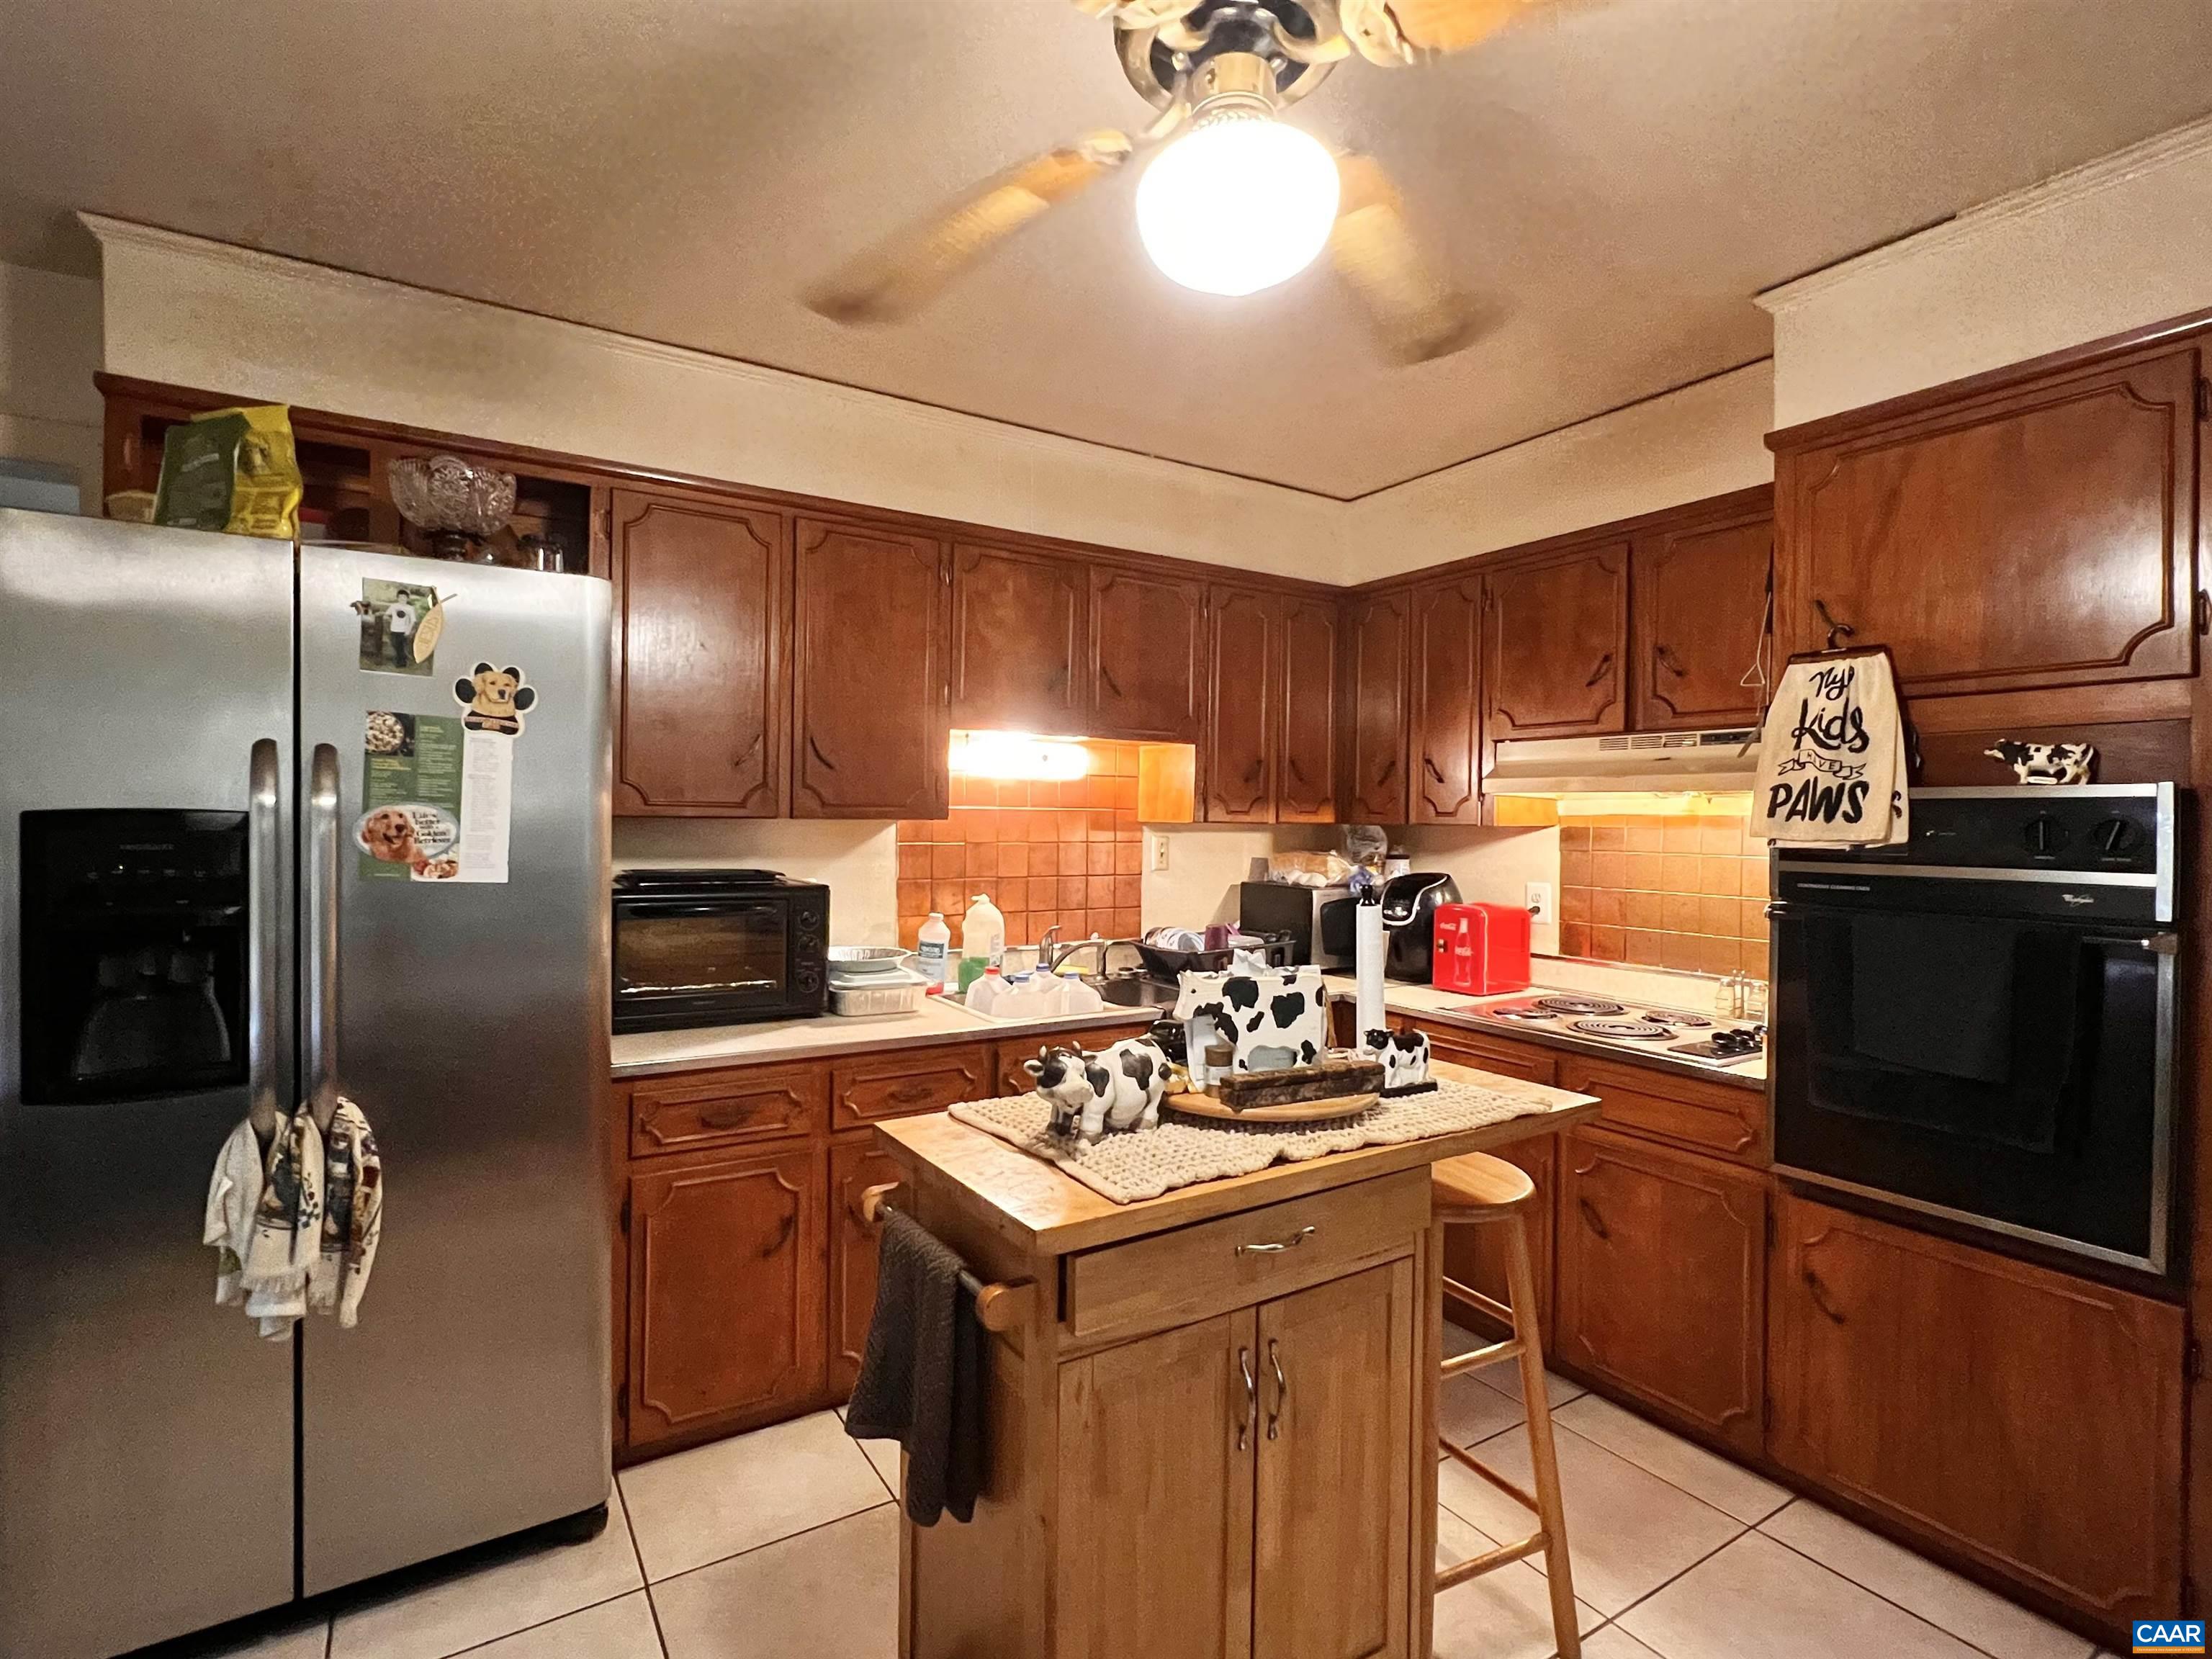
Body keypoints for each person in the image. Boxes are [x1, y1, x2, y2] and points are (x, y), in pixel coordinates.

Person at [384, 593, 418, 667]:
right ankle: (402, 659)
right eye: (400, 597)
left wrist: (408, 630)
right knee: (394, 645)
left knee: (401, 646)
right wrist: (389, 620)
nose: (402, 599)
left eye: (404, 597)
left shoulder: (410, 608)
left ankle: (401, 663)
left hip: (404, 630)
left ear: (407, 599)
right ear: (397, 598)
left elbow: (413, 621)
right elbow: (386, 615)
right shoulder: (394, 606)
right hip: (394, 629)